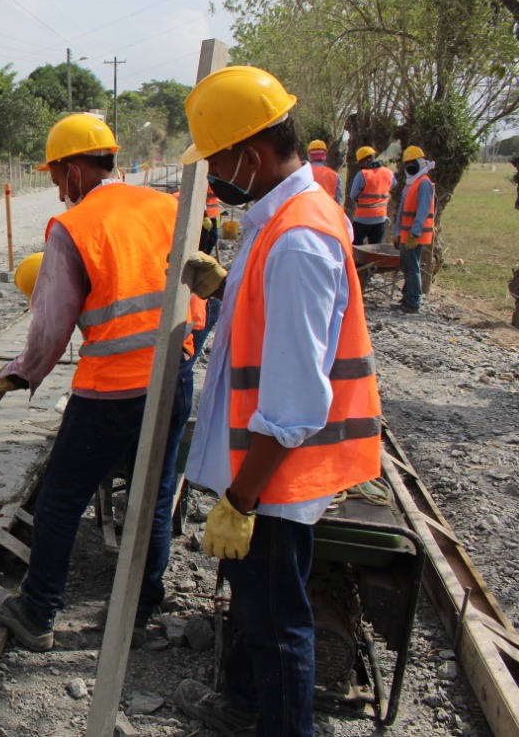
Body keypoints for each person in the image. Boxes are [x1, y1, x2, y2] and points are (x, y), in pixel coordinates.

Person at [172, 66, 382, 737]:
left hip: (275, 474)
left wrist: (242, 498)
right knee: (255, 603)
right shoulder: (287, 218)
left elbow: (295, 396)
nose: (214, 177)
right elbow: (283, 322)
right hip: (264, 469)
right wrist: (229, 282)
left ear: (251, 157)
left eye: (217, 163)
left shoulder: (296, 240)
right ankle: (243, 699)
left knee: (278, 617)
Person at [0, 113, 220, 652]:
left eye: (57, 177)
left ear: (74, 170)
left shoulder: (74, 227)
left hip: (111, 387)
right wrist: (181, 352)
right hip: (173, 374)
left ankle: (37, 612)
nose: (58, 189)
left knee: (62, 498)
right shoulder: (167, 208)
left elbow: (51, 324)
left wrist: (21, 371)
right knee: (153, 498)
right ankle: (137, 614)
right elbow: (197, 297)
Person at [395, 145, 437, 314]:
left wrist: (415, 233)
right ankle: (407, 297)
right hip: (406, 234)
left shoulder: (424, 183)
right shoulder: (410, 184)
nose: (409, 166)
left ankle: (413, 302)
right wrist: (397, 232)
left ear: (420, 162)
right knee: (408, 267)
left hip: (415, 235)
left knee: (412, 268)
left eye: (412, 162)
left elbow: (423, 210)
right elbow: (401, 211)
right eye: (407, 163)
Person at [349, 145, 394, 246]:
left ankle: (359, 262)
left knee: (356, 247)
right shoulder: (388, 173)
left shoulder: (362, 174)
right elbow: (393, 184)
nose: (360, 165)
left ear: (367, 160)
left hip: (362, 218)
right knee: (375, 247)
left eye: (360, 162)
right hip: (380, 217)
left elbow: (353, 195)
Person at [306, 138, 343, 204]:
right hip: (329, 211)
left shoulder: (303, 173)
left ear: (309, 155)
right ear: (325, 156)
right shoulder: (335, 176)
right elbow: (338, 201)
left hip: (308, 211)